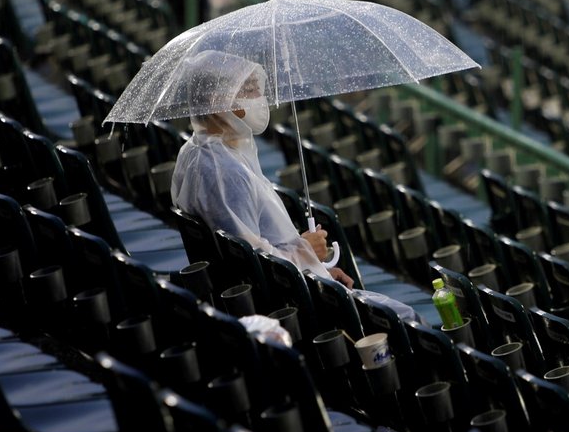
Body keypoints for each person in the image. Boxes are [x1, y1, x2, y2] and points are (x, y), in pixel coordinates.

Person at [170, 51, 418, 320]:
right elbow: (254, 264)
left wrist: (317, 271)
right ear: (219, 101)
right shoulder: (224, 172)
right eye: (249, 90)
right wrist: (306, 251)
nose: (260, 98)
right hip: (293, 306)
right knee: (406, 319)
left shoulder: (199, 151)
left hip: (294, 287)